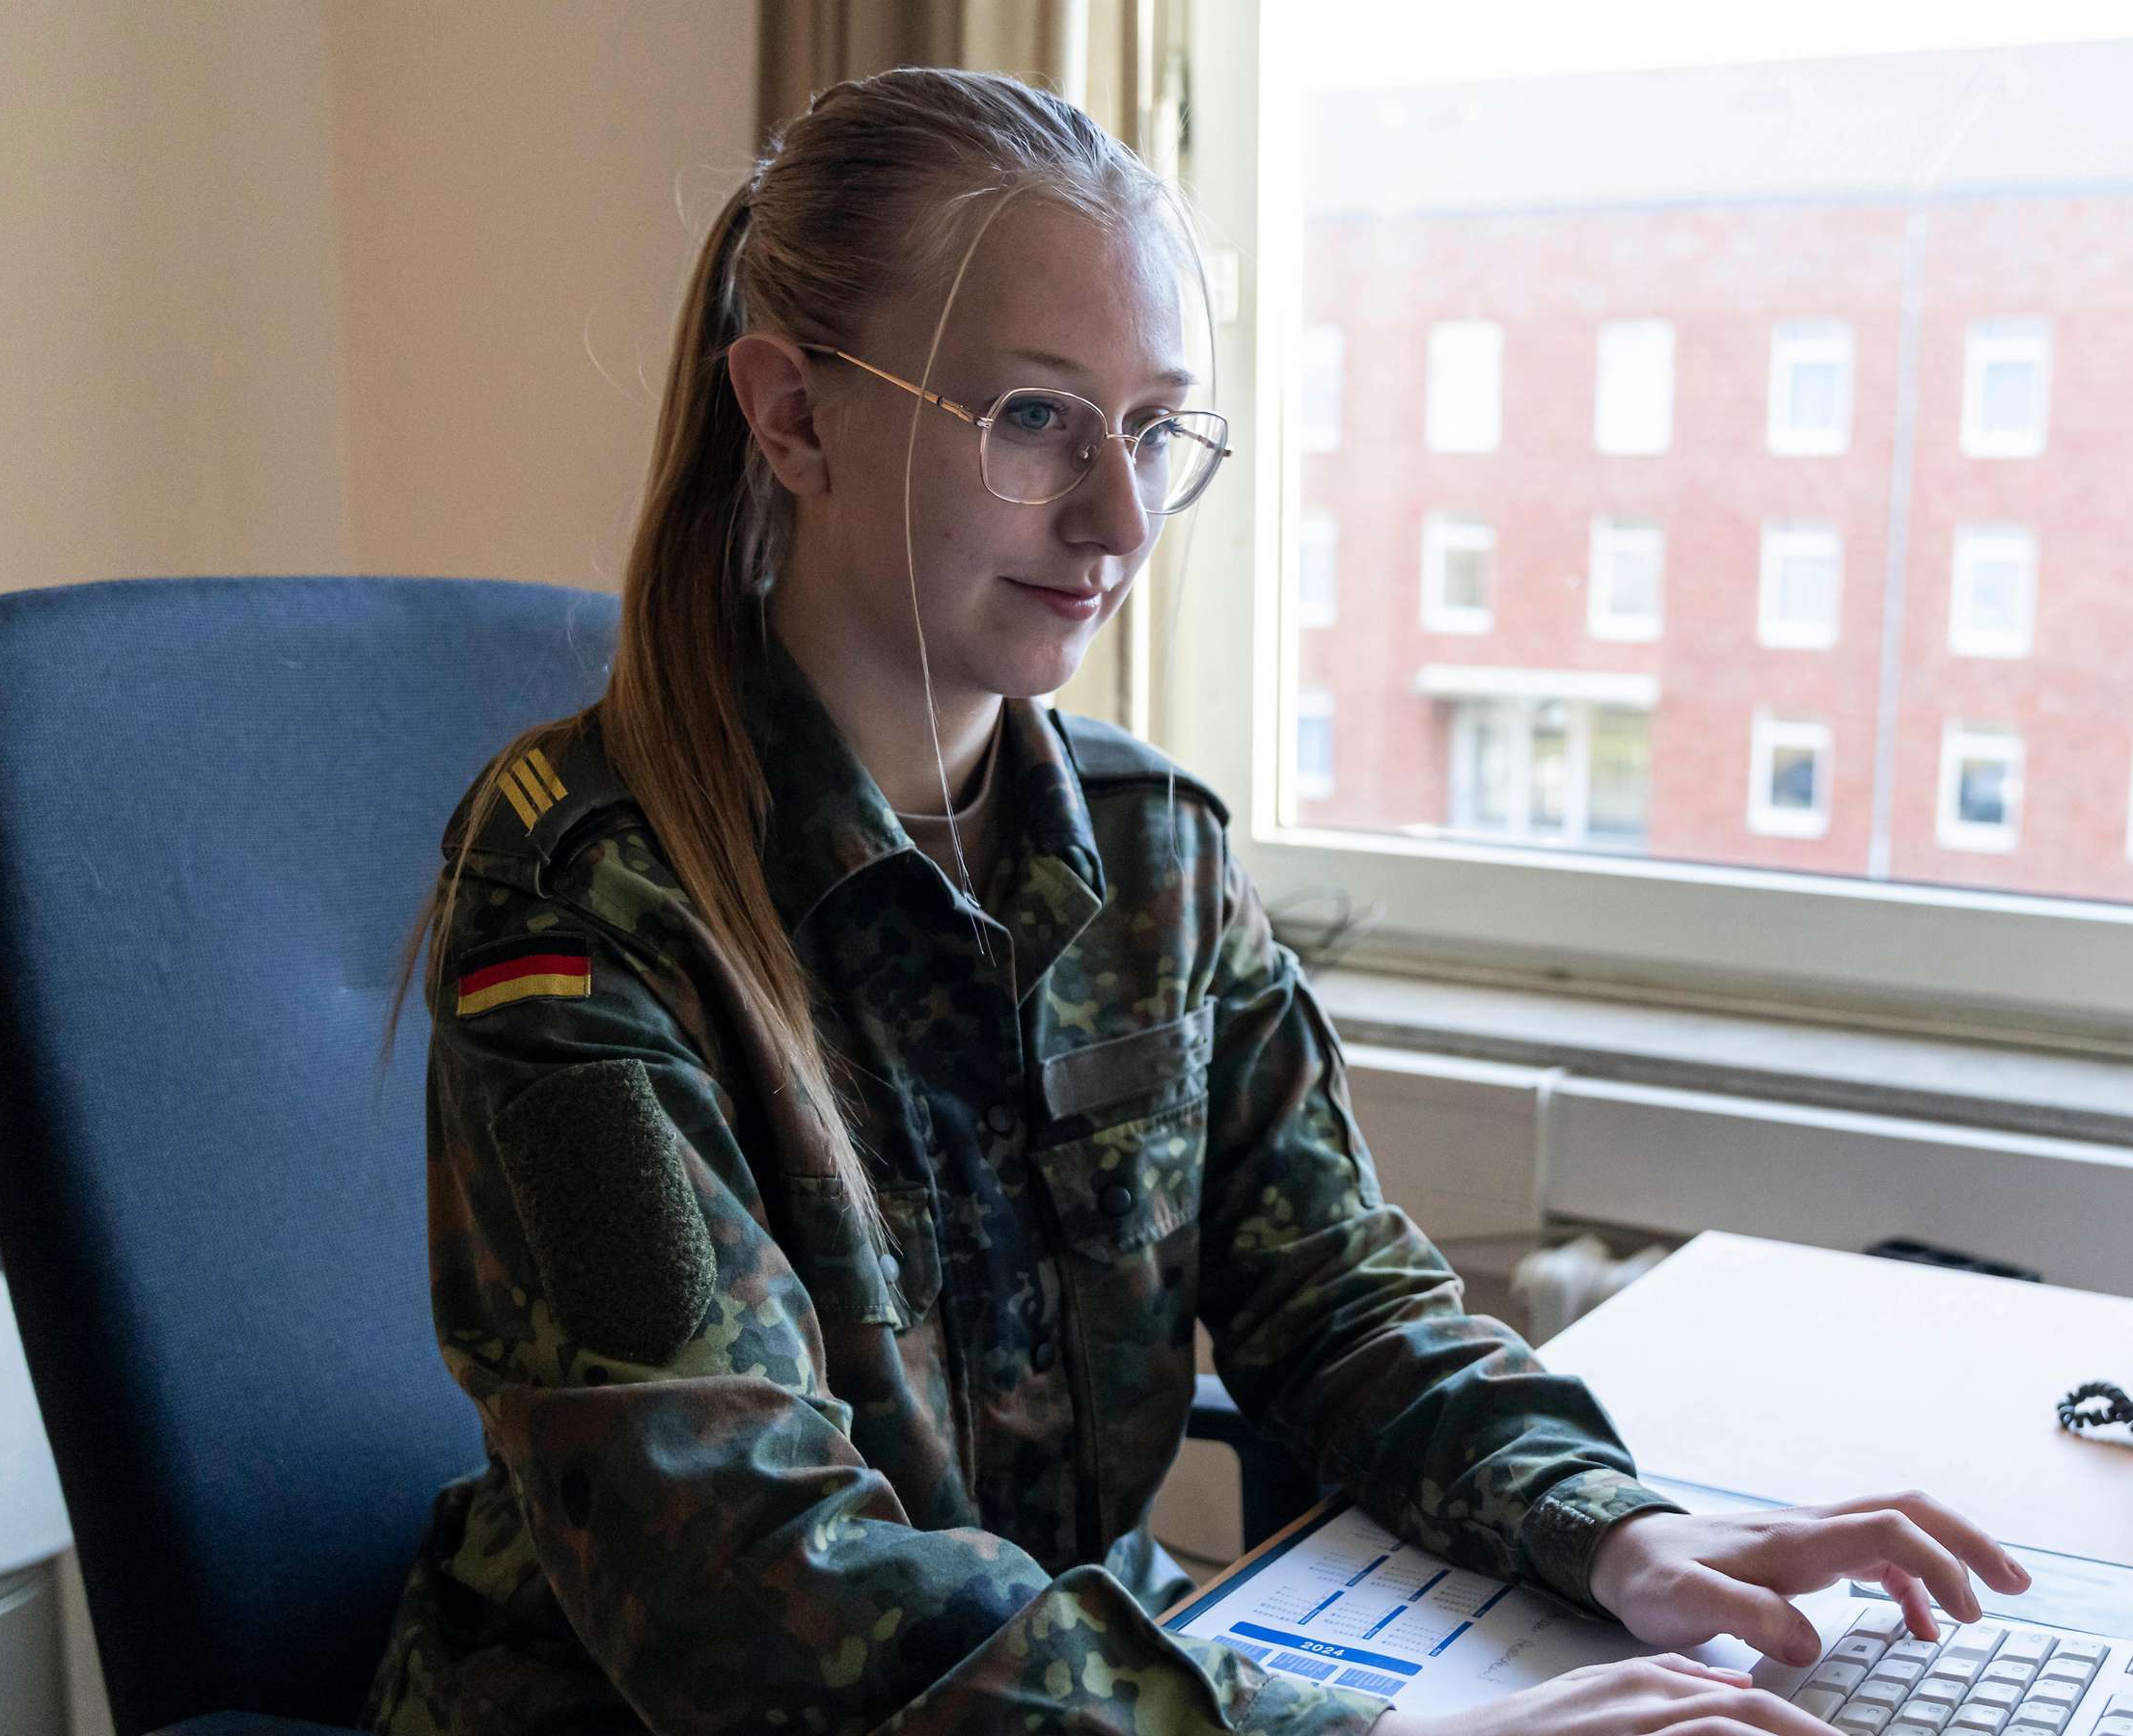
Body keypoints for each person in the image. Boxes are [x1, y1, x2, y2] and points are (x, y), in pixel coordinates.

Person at [366, 66, 2027, 1736]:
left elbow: (1335, 1294)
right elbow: (740, 1582)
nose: (1120, 516)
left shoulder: (1152, 854)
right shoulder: (585, 911)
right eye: (1034, 418)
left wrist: (1622, 1531)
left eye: (1155, 428)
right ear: (792, 416)